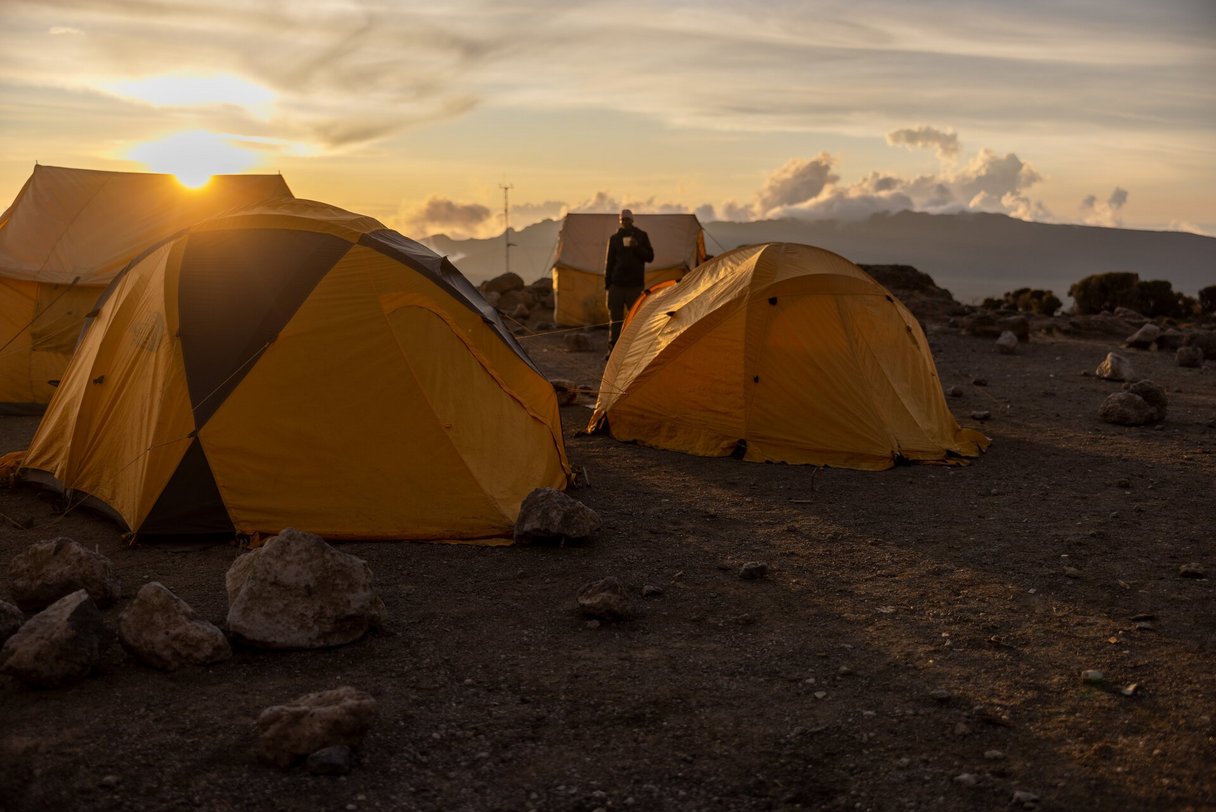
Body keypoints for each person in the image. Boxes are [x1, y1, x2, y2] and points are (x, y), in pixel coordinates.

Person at [603, 209, 654, 353]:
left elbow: (650, 257)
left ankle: (633, 350)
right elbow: (610, 262)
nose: (625, 222)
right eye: (623, 220)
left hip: (634, 285)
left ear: (632, 221)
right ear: (621, 221)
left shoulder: (641, 236)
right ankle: (613, 350)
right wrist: (608, 284)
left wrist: (637, 247)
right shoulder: (615, 239)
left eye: (627, 220)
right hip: (617, 284)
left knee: (634, 319)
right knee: (615, 320)